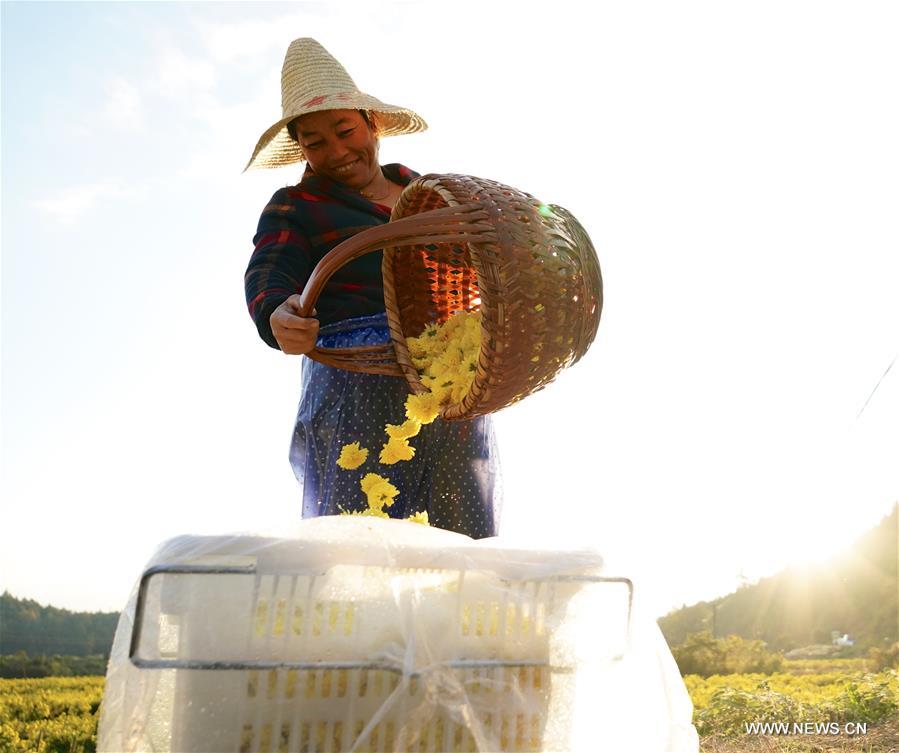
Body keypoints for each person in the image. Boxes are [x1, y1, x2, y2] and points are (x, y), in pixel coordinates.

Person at [243, 38, 502, 538]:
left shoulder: (429, 194)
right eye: (315, 142)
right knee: (360, 541)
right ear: (301, 148)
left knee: (462, 536)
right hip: (355, 380)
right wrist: (276, 313)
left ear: (372, 124)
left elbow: (484, 268)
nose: (337, 152)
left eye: (345, 131)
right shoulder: (295, 205)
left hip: (448, 381)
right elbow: (268, 273)